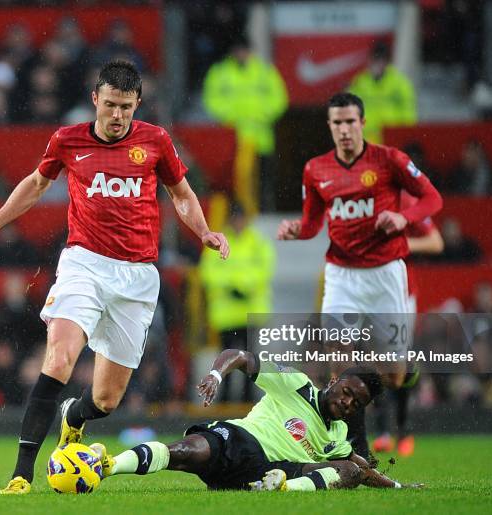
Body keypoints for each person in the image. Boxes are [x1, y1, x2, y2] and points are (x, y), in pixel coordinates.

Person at [0, 60, 230, 495]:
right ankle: (21, 474)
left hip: (137, 278)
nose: (118, 116)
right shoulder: (67, 139)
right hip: (84, 264)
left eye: (127, 108)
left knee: (105, 400)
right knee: (58, 359)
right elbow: (35, 185)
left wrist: (204, 230)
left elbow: (182, 195)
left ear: (138, 105)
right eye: (111, 105)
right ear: (95, 99)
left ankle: (72, 418)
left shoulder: (156, 141)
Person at [276, 92, 443, 458]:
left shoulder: (389, 160)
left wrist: (403, 218)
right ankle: (358, 451)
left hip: (385, 274)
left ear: (362, 123)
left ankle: (408, 369)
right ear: (330, 126)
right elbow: (312, 224)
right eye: (337, 122)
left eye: (351, 121)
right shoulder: (315, 169)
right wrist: (295, 231)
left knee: (393, 376)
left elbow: (433, 199)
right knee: (342, 367)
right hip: (341, 276)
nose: (345, 129)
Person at [94, 349, 423, 491]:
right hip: (240, 442)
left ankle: (281, 490)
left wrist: (396, 486)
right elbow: (242, 357)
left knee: (347, 470)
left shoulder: (337, 435)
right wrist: (215, 374)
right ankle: (106, 466)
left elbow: (361, 469)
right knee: (182, 452)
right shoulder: (296, 383)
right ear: (335, 381)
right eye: (348, 391)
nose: (348, 402)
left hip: (271, 471)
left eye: (357, 402)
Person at [372, 191, 444, 457]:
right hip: (368, 293)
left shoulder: (407, 203)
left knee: (398, 363)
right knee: (373, 361)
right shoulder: (358, 200)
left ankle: (403, 428)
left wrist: (402, 244)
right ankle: (382, 430)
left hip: (401, 294)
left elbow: (436, 242)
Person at [199, 200, 275, 401]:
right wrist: (235, 286)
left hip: (249, 313)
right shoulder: (219, 242)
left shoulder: (257, 242)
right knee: (226, 360)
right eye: (237, 219)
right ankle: (224, 400)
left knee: (249, 360)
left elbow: (265, 269)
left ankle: (248, 401)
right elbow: (207, 272)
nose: (239, 223)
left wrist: (238, 286)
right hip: (227, 315)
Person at [202, 36, 288, 211]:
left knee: (263, 182)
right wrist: (233, 116)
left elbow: (280, 99)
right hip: (233, 139)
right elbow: (211, 101)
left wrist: (260, 114)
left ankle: (263, 212)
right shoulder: (220, 72)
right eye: (238, 51)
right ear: (232, 52)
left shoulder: (264, 71)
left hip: (260, 139)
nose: (241, 54)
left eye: (244, 50)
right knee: (234, 182)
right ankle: (240, 215)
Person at [349, 41, 416, 144]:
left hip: (392, 141)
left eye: (381, 60)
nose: (377, 64)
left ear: (387, 62)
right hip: (366, 142)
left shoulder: (400, 84)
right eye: (375, 59)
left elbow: (409, 112)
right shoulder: (360, 83)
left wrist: (404, 135)